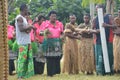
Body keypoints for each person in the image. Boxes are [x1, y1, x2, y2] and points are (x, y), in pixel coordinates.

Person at [92, 4, 114, 75]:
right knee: (99, 56)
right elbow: (93, 29)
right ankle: (100, 72)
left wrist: (107, 25)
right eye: (96, 9)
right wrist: (96, 31)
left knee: (109, 55)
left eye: (98, 9)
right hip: (98, 40)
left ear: (102, 9)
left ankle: (109, 71)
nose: (96, 10)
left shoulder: (109, 17)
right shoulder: (95, 19)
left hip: (108, 39)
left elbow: (115, 26)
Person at [40, 11, 63, 76]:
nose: (54, 17)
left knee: (57, 57)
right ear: (49, 17)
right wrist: (45, 33)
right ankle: (50, 73)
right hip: (49, 42)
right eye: (52, 16)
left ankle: (56, 72)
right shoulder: (45, 24)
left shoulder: (59, 24)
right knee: (50, 58)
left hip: (57, 42)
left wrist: (62, 38)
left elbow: (61, 33)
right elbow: (40, 32)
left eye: (55, 16)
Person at [15, 4, 35, 79]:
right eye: (27, 9)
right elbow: (21, 29)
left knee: (27, 59)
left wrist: (31, 26)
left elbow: (26, 30)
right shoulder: (19, 18)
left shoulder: (24, 18)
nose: (28, 10)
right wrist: (30, 26)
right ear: (23, 9)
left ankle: (24, 74)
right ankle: (20, 75)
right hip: (22, 42)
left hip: (27, 41)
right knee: (22, 59)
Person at [113, 9, 120, 73]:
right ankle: (117, 68)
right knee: (117, 54)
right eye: (119, 12)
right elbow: (115, 30)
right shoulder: (116, 20)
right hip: (117, 39)